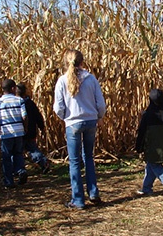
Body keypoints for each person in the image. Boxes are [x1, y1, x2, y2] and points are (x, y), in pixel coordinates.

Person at [53, 49, 106, 210]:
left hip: (73, 124)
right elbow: (101, 104)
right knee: (88, 157)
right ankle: (93, 193)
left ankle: (78, 200)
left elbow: (58, 107)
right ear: (82, 62)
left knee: (75, 162)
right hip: (90, 122)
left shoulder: (62, 81)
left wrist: (66, 118)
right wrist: (99, 116)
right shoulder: (91, 79)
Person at [0, 79, 28, 188]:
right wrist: (25, 128)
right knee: (18, 153)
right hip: (19, 132)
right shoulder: (19, 100)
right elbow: (25, 116)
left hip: (6, 133)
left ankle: (9, 181)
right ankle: (21, 170)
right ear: (13, 88)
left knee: (6, 157)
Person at [16, 83, 51, 174]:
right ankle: (44, 162)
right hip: (31, 131)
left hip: (19, 131)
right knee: (32, 149)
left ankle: (18, 170)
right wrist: (41, 126)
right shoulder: (30, 103)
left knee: (18, 151)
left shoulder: (16, 103)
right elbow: (38, 116)